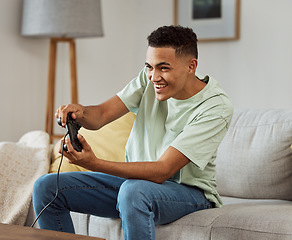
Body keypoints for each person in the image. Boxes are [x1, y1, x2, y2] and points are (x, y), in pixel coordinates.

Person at [33, 25, 233, 240]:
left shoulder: (215, 107)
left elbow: (163, 170)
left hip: (188, 193)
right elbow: (100, 115)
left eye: (163, 68)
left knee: (134, 191)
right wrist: (80, 112)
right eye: (149, 66)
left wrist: (94, 163)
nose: (154, 76)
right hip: (135, 184)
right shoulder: (147, 81)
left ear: (191, 66)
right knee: (46, 186)